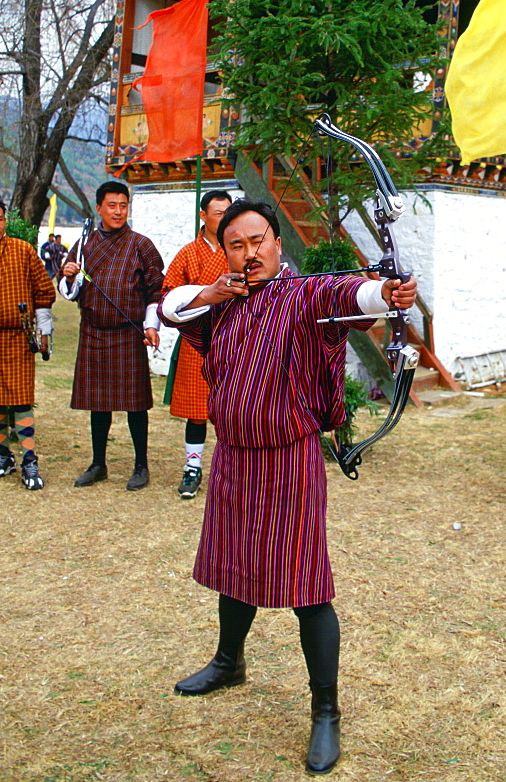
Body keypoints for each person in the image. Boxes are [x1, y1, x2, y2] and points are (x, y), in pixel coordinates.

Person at [159, 198, 417, 774]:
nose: (249, 253)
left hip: (289, 459)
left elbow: (351, 294)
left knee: (306, 586)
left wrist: (386, 294)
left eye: (258, 241)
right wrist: (212, 293)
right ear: (223, 251)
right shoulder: (218, 304)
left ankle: (326, 711)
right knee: (233, 566)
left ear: (277, 244)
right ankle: (230, 661)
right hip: (234, 458)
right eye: (236, 244)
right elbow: (169, 309)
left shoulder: (304, 296)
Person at [60, 181, 164, 491]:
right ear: (99, 208)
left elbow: (155, 292)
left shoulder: (141, 245)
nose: (118, 211)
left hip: (128, 334)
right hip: (93, 332)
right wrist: (69, 277)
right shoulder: (83, 244)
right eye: (112, 205)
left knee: (135, 404)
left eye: (123, 205)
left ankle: (141, 465)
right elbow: (70, 291)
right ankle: (98, 463)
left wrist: (150, 326)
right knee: (98, 404)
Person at [0, 196, 56, 490]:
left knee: (20, 399)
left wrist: (44, 333)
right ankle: (3, 455)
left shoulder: (23, 250)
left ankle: (29, 459)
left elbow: (43, 291)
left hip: (20, 336)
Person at [162, 189, 232, 498]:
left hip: (235, 338)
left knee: (235, 408)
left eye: (228, 212)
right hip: (198, 339)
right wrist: (203, 298)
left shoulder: (237, 249)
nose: (225, 218)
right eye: (218, 213)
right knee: (197, 410)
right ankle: (193, 467)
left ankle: (233, 471)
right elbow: (168, 295)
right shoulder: (188, 253)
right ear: (203, 216)